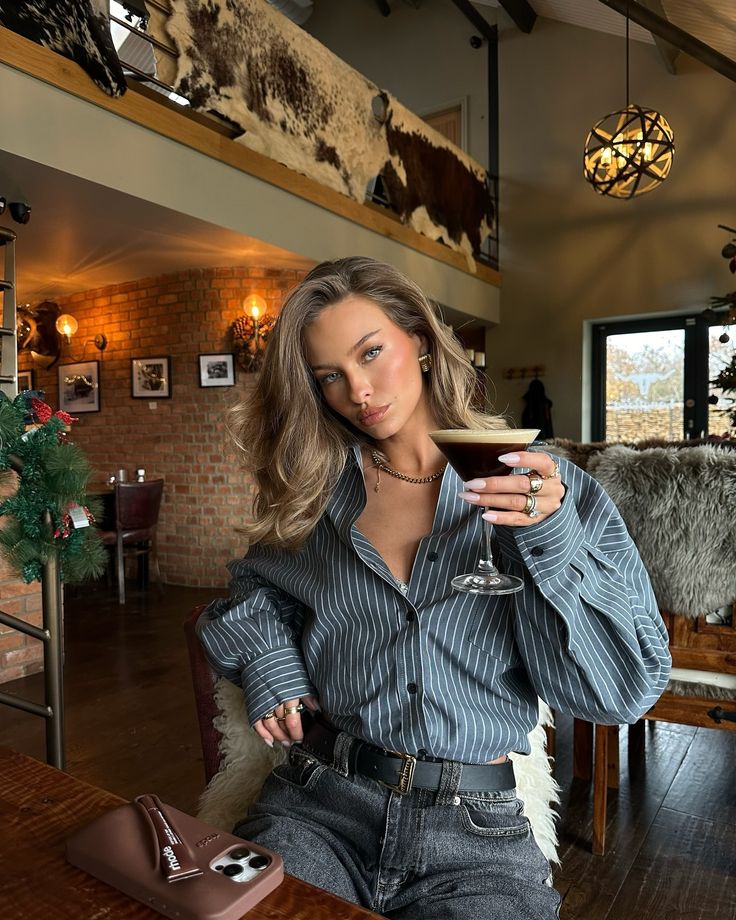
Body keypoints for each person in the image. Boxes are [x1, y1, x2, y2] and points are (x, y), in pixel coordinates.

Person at [198, 256, 671, 919]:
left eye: (371, 353)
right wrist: (269, 662)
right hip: (321, 809)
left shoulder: (551, 492)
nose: (357, 390)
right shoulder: (315, 495)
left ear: (419, 339)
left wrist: (548, 542)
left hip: (476, 840)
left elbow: (621, 691)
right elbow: (250, 593)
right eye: (330, 375)